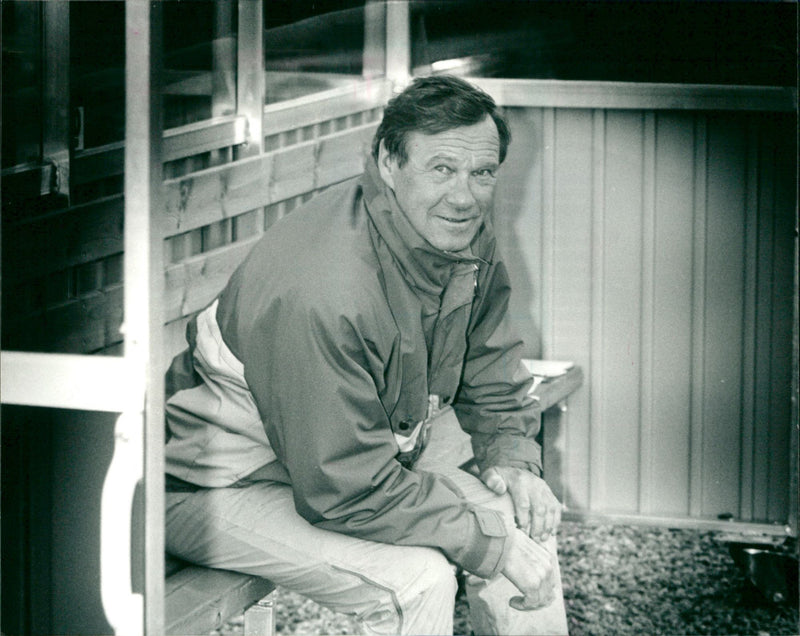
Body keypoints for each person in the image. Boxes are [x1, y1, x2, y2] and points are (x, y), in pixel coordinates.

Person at [164, 75, 568, 636]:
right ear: (387, 161)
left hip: (325, 456)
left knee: (518, 518)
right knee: (420, 580)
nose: (465, 195)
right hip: (211, 484)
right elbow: (345, 487)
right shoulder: (323, 291)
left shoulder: (451, 229)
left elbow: (487, 357)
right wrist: (486, 546)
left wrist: (511, 457)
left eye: (483, 172)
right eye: (441, 169)